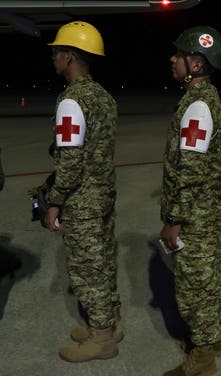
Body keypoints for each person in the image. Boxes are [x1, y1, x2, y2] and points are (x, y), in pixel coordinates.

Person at [44, 20, 122, 362]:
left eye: (57, 52)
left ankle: (102, 338)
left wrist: (54, 200)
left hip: (82, 200)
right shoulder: (103, 97)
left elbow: (71, 160)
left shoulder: (71, 101)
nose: (54, 58)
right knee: (104, 262)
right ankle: (108, 323)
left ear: (70, 56)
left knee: (87, 269)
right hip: (103, 194)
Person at [159, 25, 221, 376]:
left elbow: (190, 169)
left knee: (194, 284)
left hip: (193, 215)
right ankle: (216, 338)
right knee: (211, 274)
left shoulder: (198, 106)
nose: (173, 59)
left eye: (180, 56)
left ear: (197, 64)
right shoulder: (205, 100)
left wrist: (174, 219)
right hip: (206, 210)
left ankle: (202, 358)